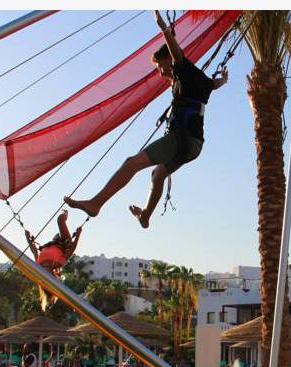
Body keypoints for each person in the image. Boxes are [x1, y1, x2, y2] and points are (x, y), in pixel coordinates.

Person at [64, 10, 229, 228]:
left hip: (181, 138)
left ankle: (96, 204)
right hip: (194, 145)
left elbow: (176, 53)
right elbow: (214, 85)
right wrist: (223, 80)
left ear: (168, 60)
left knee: (131, 163)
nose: (160, 73)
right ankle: (145, 217)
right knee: (158, 174)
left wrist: (163, 27)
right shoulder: (199, 79)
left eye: (160, 66)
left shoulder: (182, 69)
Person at [25, 209, 82, 311]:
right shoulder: (58, 263)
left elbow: (34, 251)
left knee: (59, 221)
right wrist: (78, 235)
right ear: (54, 276)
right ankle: (65, 213)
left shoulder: (39, 265)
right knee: (60, 219)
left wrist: (28, 238)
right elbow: (72, 249)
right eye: (51, 276)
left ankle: (65, 214)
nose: (47, 273)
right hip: (65, 242)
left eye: (46, 277)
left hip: (53, 242)